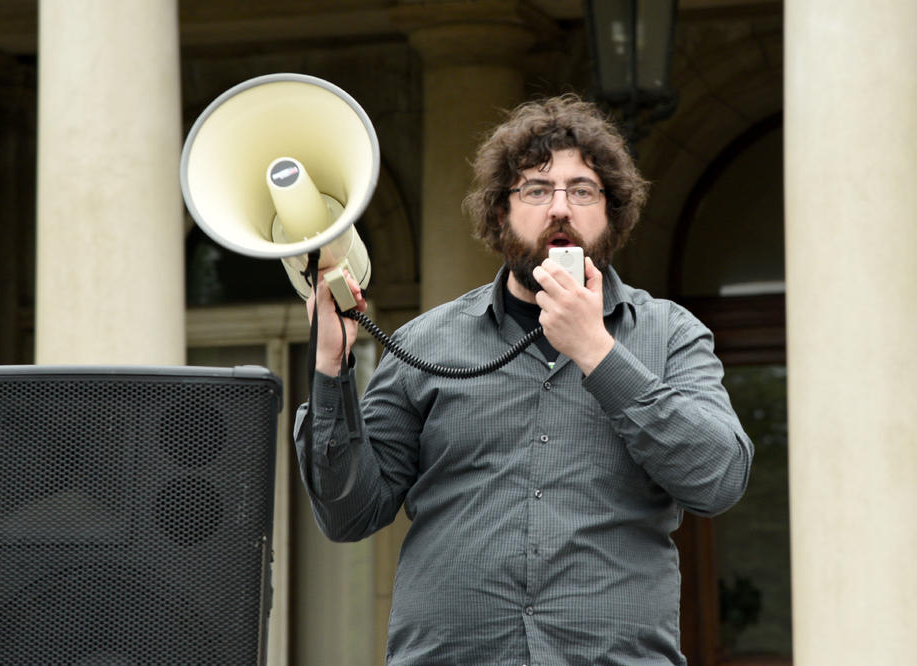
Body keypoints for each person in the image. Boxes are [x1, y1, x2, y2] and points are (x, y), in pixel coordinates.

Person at [294, 93, 753, 665]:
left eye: (582, 190)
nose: (560, 208)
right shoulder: (422, 344)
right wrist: (330, 367)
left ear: (612, 213)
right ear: (500, 213)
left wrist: (597, 352)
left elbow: (718, 478)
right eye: (536, 190)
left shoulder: (669, 334)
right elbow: (347, 513)